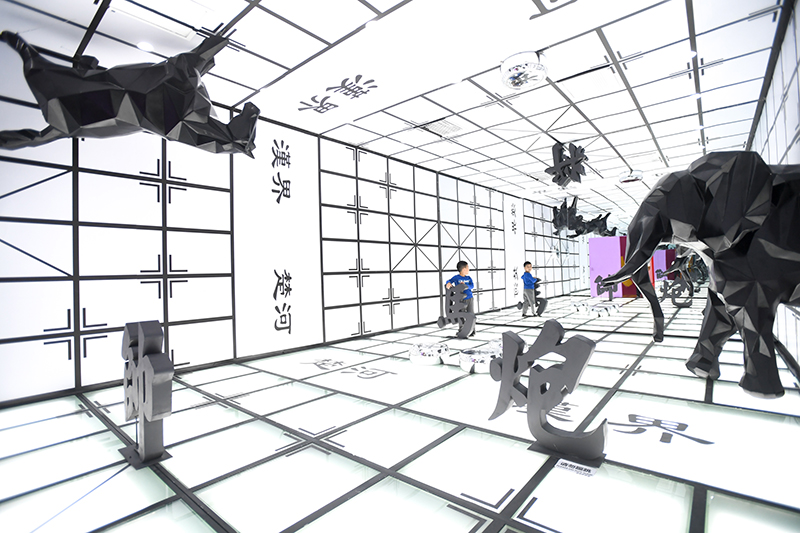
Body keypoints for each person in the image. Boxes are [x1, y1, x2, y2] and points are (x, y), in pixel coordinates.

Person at [444, 260, 475, 337]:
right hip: (461, 300)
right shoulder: (456, 278)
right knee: (461, 315)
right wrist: (448, 283)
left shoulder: (468, 278)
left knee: (471, 314)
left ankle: (472, 331)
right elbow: (449, 281)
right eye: (467, 267)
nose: (468, 269)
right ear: (463, 269)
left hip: (470, 298)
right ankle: (462, 330)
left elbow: (472, 286)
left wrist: (466, 286)